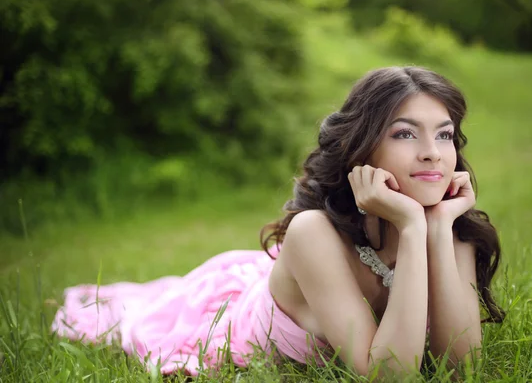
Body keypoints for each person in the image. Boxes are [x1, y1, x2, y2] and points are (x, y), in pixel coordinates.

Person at [52, 66, 505, 377]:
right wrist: (409, 226)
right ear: (364, 149)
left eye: (444, 134)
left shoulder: (452, 231)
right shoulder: (314, 233)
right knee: (140, 318)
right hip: (243, 318)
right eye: (405, 133)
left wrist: (436, 229)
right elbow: (391, 377)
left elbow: (461, 370)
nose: (433, 152)